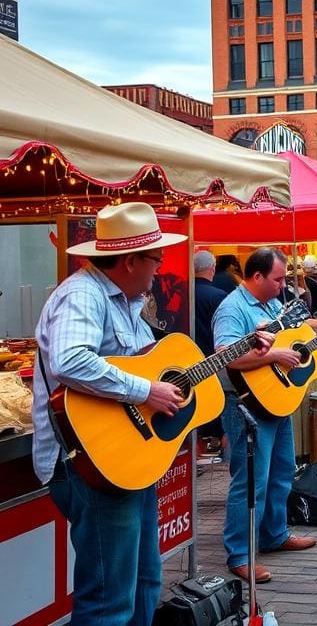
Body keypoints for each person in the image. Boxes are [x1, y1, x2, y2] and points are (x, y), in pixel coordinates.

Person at [32, 202, 190, 625]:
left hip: (125, 461)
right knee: (108, 600)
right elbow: (69, 361)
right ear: (130, 260)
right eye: (156, 259)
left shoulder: (126, 302)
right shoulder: (83, 294)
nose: (160, 268)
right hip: (90, 464)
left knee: (142, 582)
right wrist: (147, 390)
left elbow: (138, 364)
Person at [213, 247, 317, 584]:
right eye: (277, 278)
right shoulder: (232, 308)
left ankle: (274, 533)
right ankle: (240, 554)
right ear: (256, 277)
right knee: (250, 480)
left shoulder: (272, 303)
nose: (282, 284)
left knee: (282, 471)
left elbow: (295, 335)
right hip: (244, 403)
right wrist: (274, 355)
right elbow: (226, 355)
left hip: (275, 400)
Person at [193, 250, 227, 457]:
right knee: (214, 403)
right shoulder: (218, 297)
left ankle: (199, 446)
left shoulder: (182, 293)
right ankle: (215, 442)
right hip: (212, 360)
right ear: (212, 268)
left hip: (184, 361)